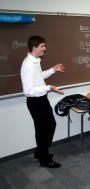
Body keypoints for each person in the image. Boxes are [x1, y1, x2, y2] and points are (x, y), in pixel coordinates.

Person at [20, 35, 66, 168]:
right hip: (36, 101)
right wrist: (49, 87)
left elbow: (38, 77)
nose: (44, 49)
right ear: (35, 47)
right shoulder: (28, 64)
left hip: (41, 99)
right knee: (43, 129)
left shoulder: (35, 61)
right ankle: (44, 159)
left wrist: (53, 70)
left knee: (48, 126)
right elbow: (28, 90)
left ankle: (40, 152)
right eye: (42, 46)